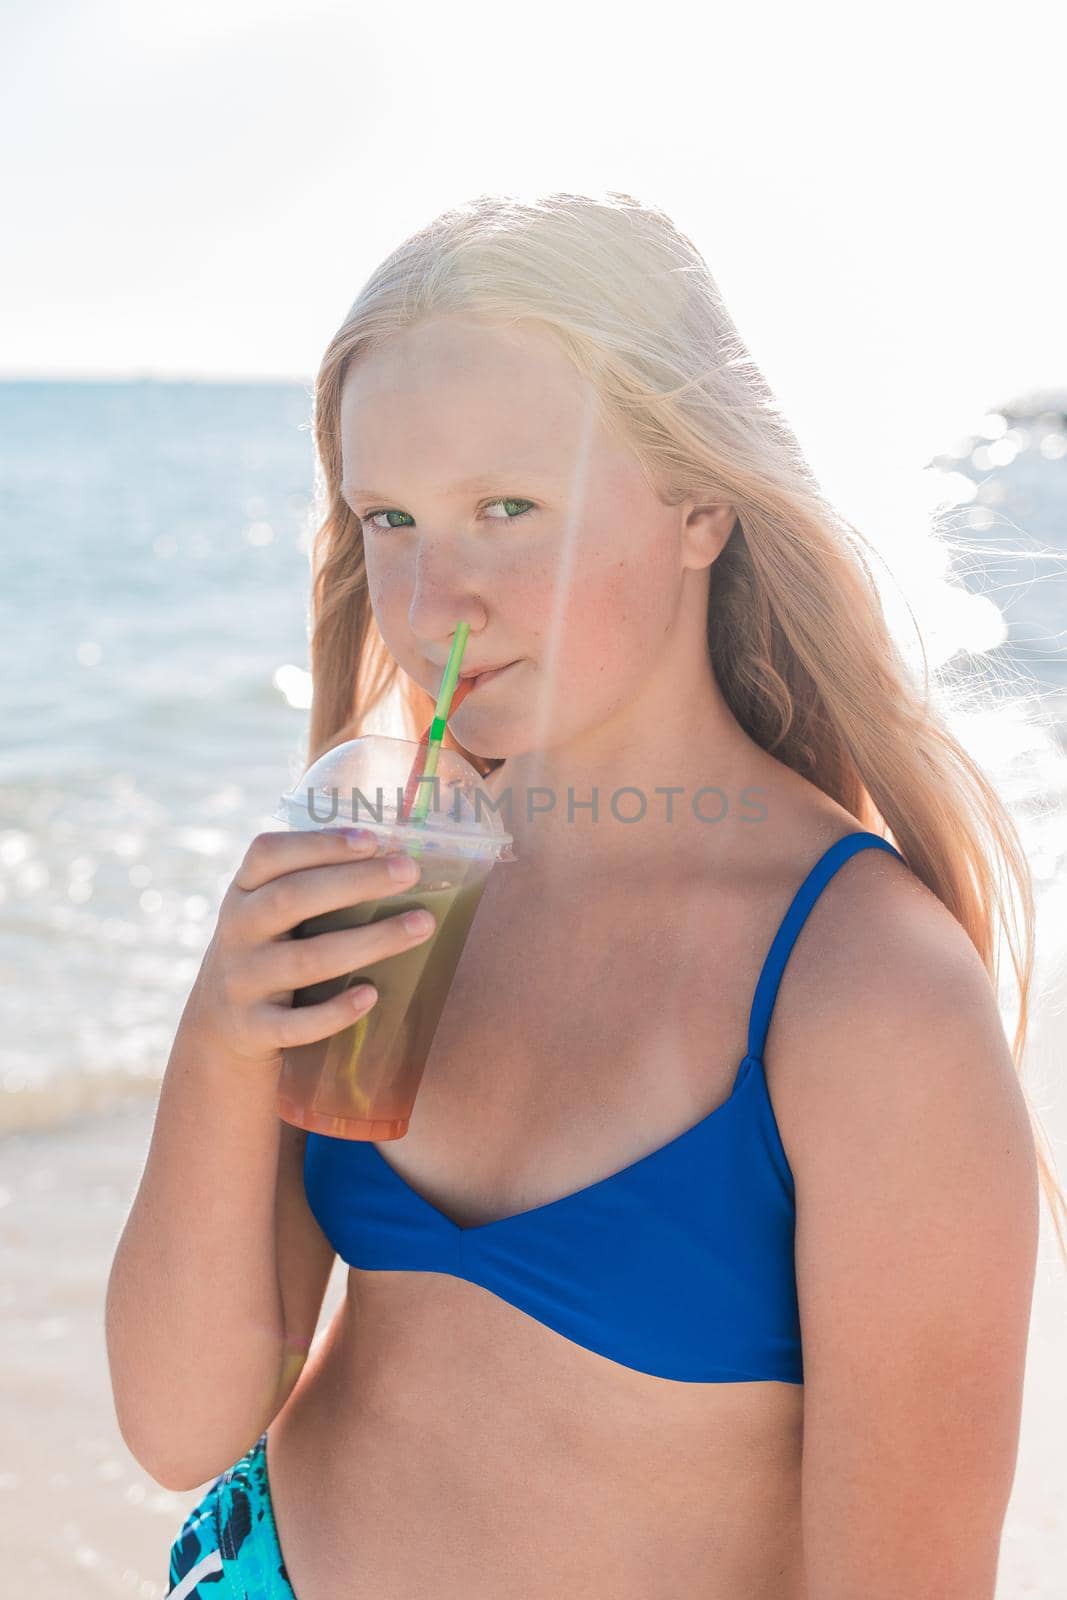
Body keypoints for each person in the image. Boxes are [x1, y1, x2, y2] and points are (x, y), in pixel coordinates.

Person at [107, 190, 1062, 1600]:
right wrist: (222, 1033)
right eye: (392, 518)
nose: (438, 599)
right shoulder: (395, 869)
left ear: (700, 505)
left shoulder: (865, 993)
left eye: (510, 509)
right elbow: (182, 1425)